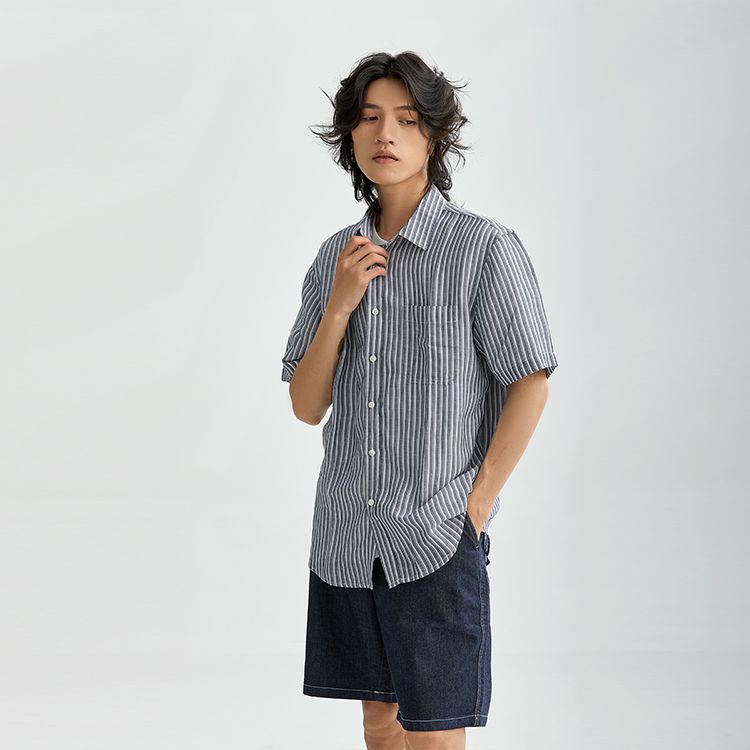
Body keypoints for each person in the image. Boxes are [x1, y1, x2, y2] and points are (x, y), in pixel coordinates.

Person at [280, 50, 559, 750]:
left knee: (434, 732)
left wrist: (476, 503)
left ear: (434, 136)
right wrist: (340, 306)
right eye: (370, 118)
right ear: (350, 135)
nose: (386, 134)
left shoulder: (484, 249)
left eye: (406, 119)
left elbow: (530, 380)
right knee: (378, 721)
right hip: (348, 536)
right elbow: (306, 405)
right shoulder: (334, 258)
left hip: (435, 532)